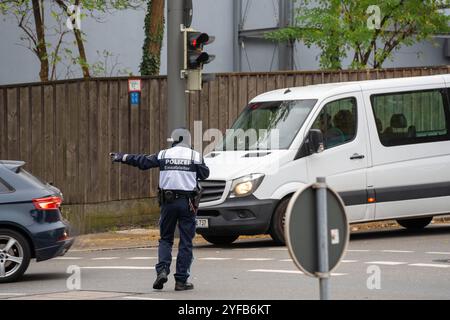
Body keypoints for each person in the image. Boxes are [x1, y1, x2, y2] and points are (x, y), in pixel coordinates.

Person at [110, 128, 210, 291]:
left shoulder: (164, 154)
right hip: (188, 204)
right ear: (188, 141)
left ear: (174, 140)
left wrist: (123, 157)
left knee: (166, 239)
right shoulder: (195, 156)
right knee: (186, 241)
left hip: (168, 203)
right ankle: (181, 281)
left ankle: (162, 271)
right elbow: (205, 174)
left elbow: (142, 162)